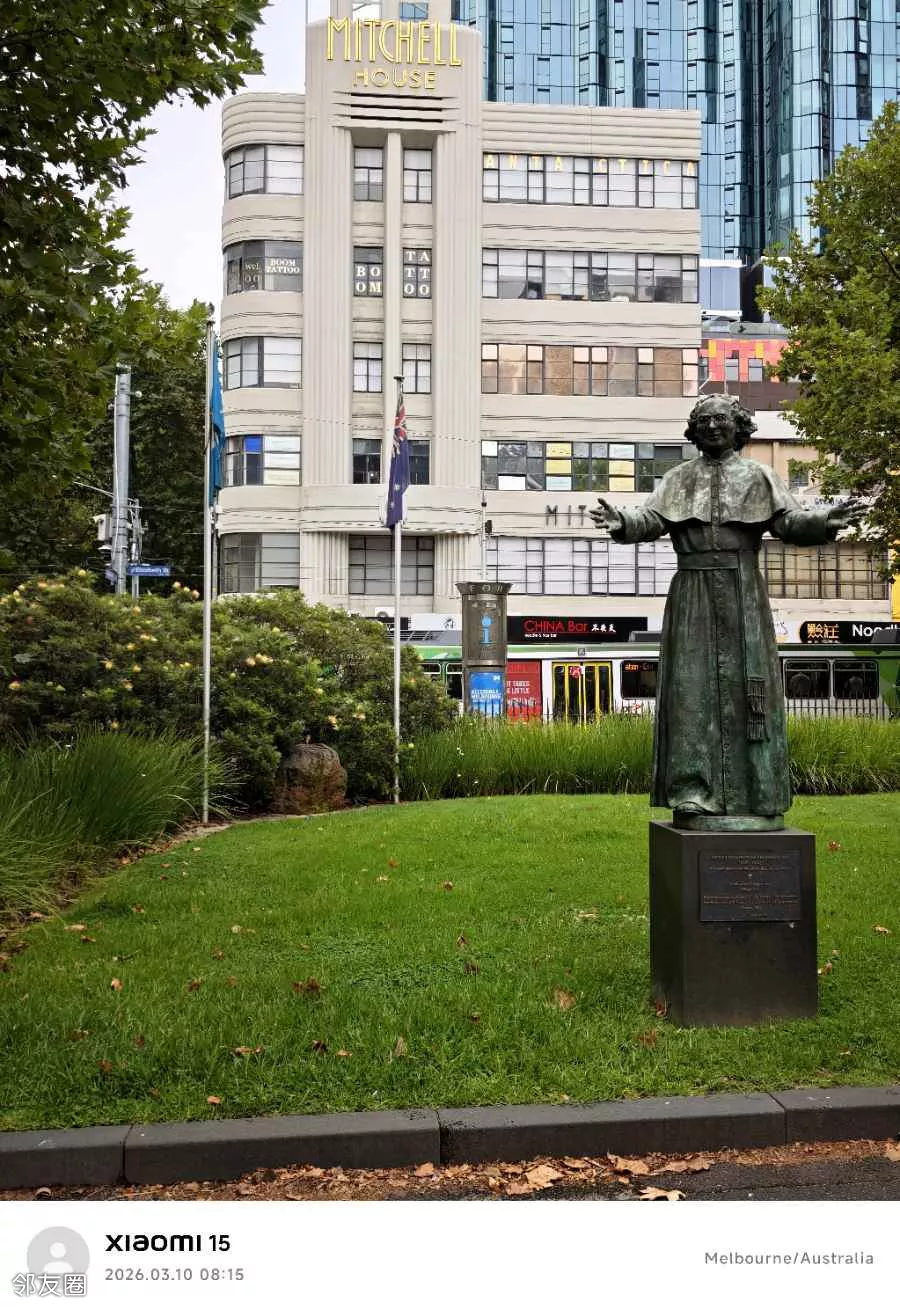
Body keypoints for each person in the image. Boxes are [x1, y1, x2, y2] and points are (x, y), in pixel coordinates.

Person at [590, 394, 859, 829]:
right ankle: (692, 793)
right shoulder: (679, 478)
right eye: (704, 421)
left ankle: (759, 793)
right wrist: (623, 522)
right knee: (690, 692)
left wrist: (822, 521)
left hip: (742, 590)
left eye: (721, 419)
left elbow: (789, 522)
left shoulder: (759, 476)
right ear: (694, 432)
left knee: (750, 690)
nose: (713, 426)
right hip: (692, 591)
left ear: (738, 427)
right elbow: (651, 519)